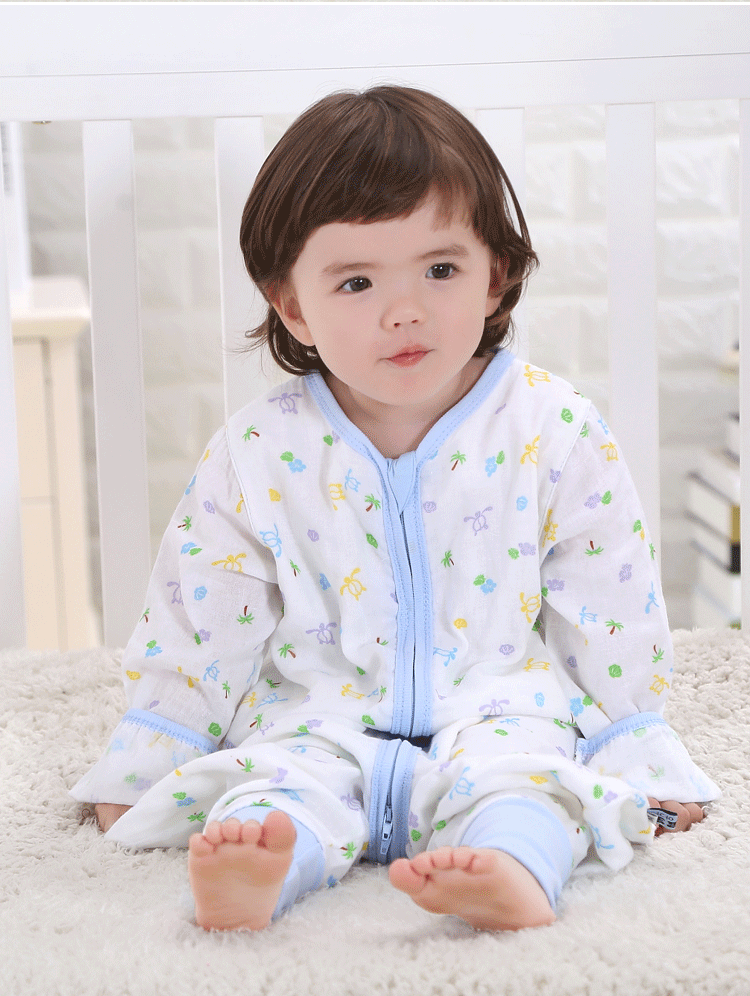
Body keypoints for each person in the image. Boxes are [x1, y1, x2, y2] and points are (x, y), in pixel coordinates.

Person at [73, 85, 719, 933]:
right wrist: (157, 749)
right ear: (292, 306)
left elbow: (609, 611)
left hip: (498, 714)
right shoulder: (258, 450)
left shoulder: (553, 430)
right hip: (319, 718)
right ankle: (266, 870)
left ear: (496, 276)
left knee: (535, 788)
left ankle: (512, 867)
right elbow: (201, 618)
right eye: (356, 281)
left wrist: (632, 744)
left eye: (440, 270)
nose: (405, 309)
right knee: (270, 790)